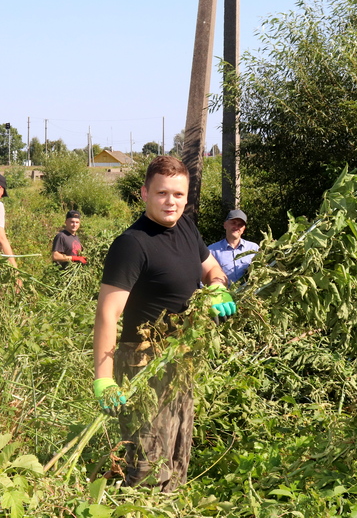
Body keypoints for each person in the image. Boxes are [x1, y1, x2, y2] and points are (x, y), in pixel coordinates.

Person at [92, 155, 235, 492]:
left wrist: (217, 287)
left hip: (180, 356)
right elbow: (107, 313)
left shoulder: (186, 228)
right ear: (145, 193)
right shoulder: (132, 244)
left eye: (178, 194)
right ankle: (138, 510)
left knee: (177, 450)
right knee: (147, 461)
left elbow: (212, 269)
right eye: (162, 193)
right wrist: (104, 379)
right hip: (143, 362)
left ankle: (170, 506)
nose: (171, 202)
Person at [207, 209, 259, 284]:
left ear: (243, 229)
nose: (236, 227)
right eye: (233, 223)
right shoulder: (212, 250)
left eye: (240, 225)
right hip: (223, 291)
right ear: (225, 225)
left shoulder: (254, 248)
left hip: (249, 291)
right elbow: (205, 275)